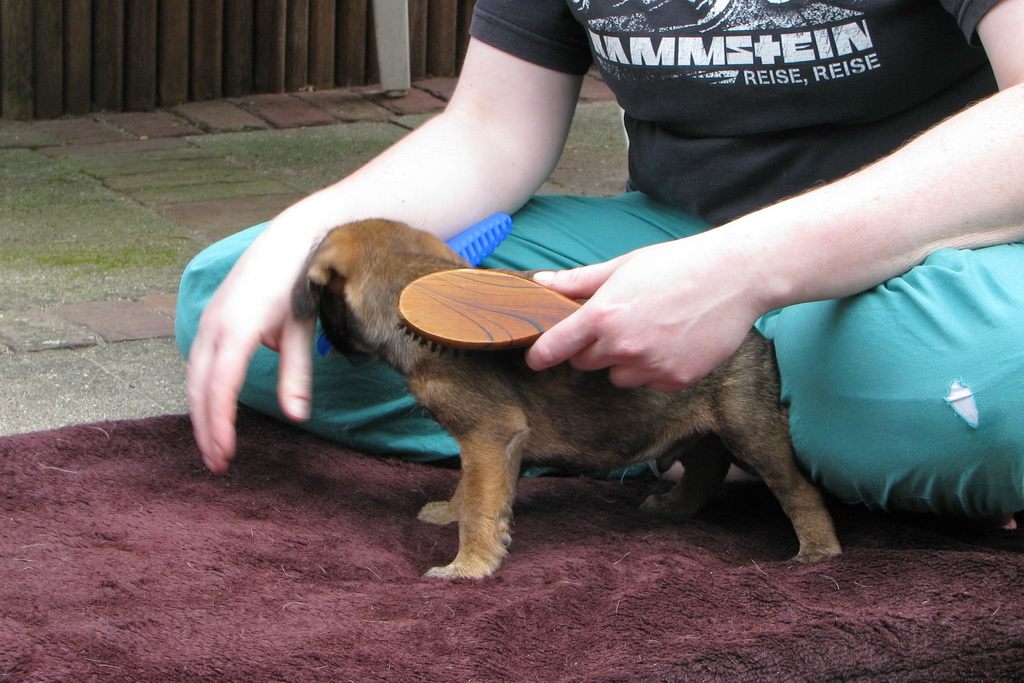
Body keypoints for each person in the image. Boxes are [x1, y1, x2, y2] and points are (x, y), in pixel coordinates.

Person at [177, 0, 1024, 523]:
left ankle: (705, 404)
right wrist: (312, 232)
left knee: (970, 403)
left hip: (921, 255)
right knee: (243, 302)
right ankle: (677, 419)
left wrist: (744, 271)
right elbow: (491, 129)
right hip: (665, 240)